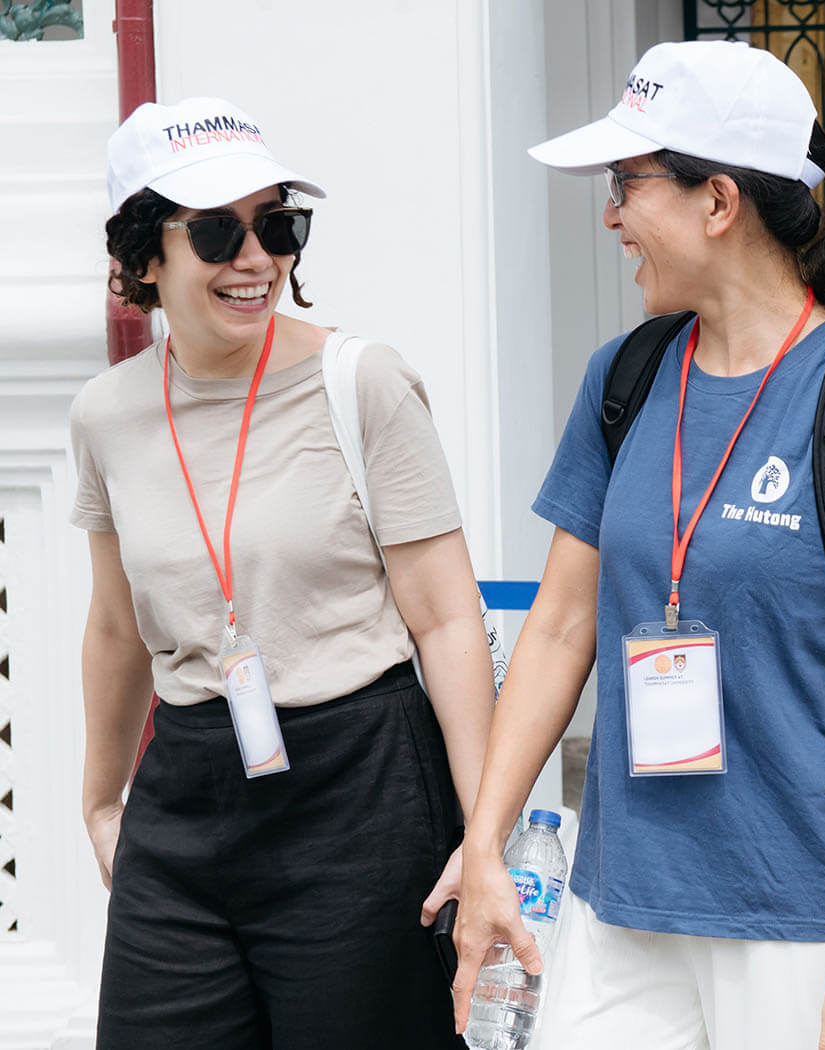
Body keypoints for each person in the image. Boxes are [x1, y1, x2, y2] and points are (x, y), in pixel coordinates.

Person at [454, 41, 825, 1050]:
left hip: (797, 917)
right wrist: (485, 843)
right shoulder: (629, 377)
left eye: (627, 184)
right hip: (620, 907)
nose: (611, 216)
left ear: (718, 202)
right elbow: (561, 629)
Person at [73, 97, 494, 1049]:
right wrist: (101, 801)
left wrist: (485, 833)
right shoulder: (106, 414)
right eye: (219, 231)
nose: (257, 258)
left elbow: (447, 619)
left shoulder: (364, 382)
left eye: (278, 225)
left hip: (360, 789)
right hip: (183, 791)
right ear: (145, 256)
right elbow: (113, 624)